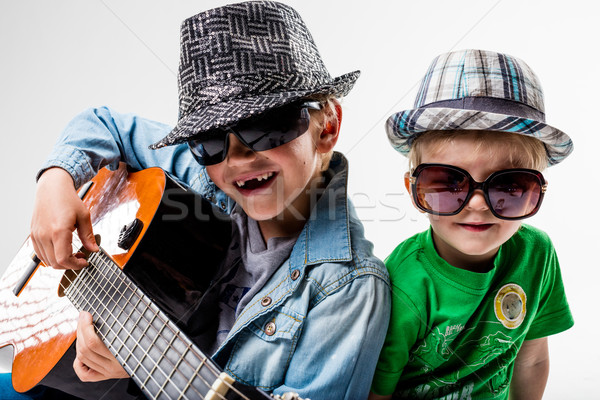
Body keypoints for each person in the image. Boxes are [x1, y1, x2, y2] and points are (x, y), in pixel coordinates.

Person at [3, 2, 391, 399]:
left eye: (265, 128)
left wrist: (147, 368)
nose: (237, 159)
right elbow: (102, 122)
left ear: (326, 127)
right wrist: (55, 180)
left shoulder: (349, 290)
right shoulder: (199, 180)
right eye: (209, 141)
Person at [368, 49, 574, 400]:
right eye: (447, 183)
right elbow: (377, 391)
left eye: (510, 185)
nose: (477, 204)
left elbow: (532, 359)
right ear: (414, 190)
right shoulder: (404, 283)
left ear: (537, 191)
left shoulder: (537, 255)